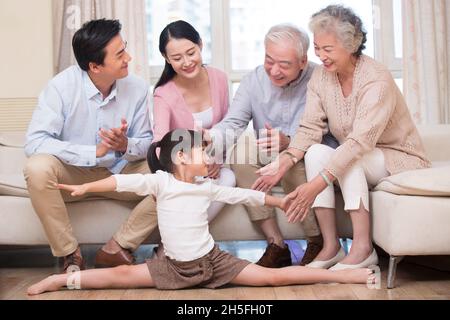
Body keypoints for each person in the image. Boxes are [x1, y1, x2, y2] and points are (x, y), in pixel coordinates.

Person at [27, 129, 376, 295]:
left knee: (271, 278)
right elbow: (118, 182)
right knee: (117, 278)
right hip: (171, 267)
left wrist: (280, 201)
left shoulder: (205, 187)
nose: (208, 161)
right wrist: (84, 187)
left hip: (213, 263)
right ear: (180, 157)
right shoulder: (161, 183)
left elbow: (242, 195)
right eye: (201, 154)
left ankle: (347, 276)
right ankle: (61, 280)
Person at [258, 5, 431, 270]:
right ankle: (332, 246)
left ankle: (363, 249)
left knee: (349, 158)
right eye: (317, 48)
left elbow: (359, 143)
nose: (320, 56)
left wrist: (315, 185)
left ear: (351, 45)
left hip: (398, 157)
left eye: (328, 49)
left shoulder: (376, 79)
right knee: (316, 151)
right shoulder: (321, 77)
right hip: (359, 153)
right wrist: (286, 160)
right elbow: (309, 128)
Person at [23, 19, 157, 272]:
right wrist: (92, 152)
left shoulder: (137, 87)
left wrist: (126, 144)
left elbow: (147, 143)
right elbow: (35, 141)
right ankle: (69, 254)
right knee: (37, 168)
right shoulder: (61, 87)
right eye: (119, 54)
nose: (128, 57)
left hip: (121, 172)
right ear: (94, 66)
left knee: (174, 177)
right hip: (73, 173)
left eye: (124, 48)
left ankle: (117, 247)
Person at [206, 24, 338, 268]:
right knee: (242, 155)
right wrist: (211, 139)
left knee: (297, 159)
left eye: (284, 64)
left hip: (310, 155)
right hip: (268, 153)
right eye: (269, 60)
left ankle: (316, 240)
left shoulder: (321, 79)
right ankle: (276, 243)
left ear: (302, 61)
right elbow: (233, 123)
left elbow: (329, 130)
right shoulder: (253, 80)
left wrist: (289, 143)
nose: (274, 70)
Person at [152, 20, 235, 222]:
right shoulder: (163, 94)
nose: (187, 62)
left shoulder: (219, 78)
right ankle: (178, 243)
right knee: (193, 192)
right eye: (177, 58)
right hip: (183, 170)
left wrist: (215, 158)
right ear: (166, 58)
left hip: (214, 165)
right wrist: (186, 168)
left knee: (228, 178)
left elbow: (229, 125)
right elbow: (159, 144)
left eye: (191, 53)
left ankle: (183, 239)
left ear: (200, 45)